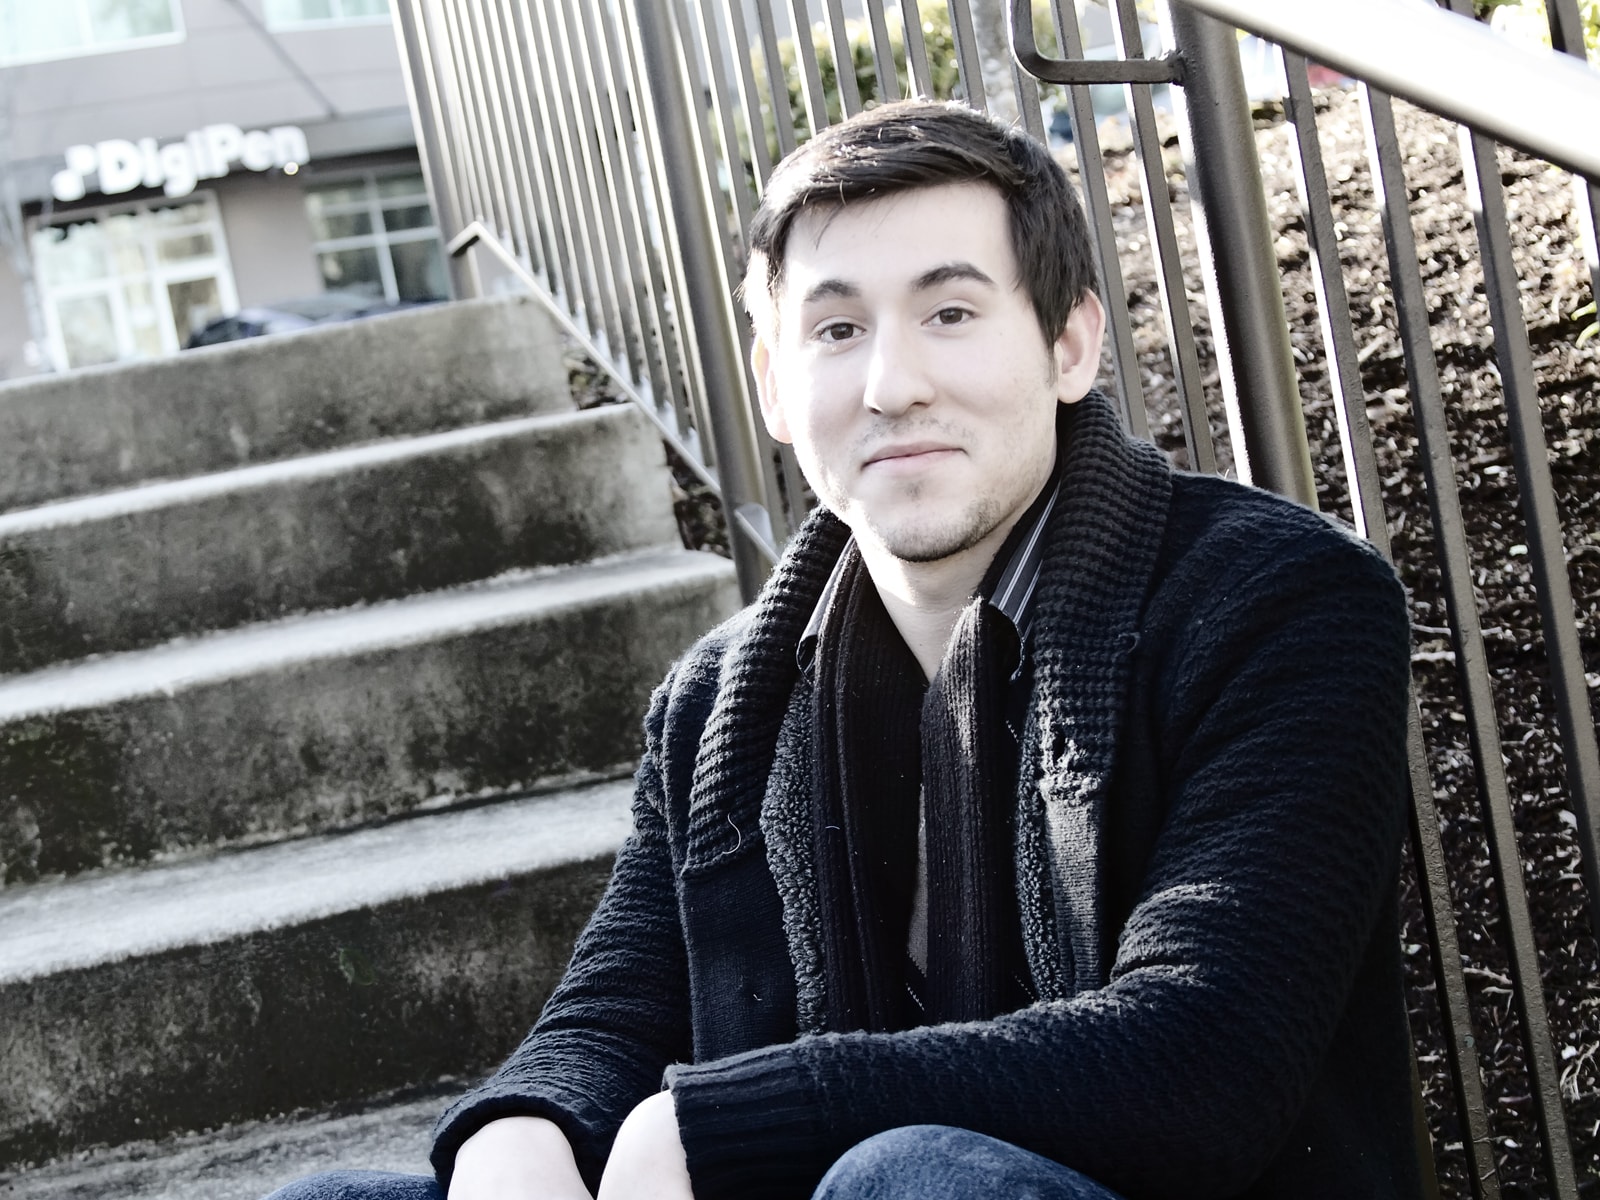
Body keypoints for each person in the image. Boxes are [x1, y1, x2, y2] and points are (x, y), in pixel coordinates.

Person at [268, 98, 1420, 1200]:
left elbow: (1207, 1062)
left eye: (951, 313)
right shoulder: (723, 697)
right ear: (775, 384)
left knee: (905, 1177)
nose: (891, 384)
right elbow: (614, 1013)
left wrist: (730, 1122)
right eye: (836, 329)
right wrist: (521, 1127)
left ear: (1068, 345)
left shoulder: (1278, 602)